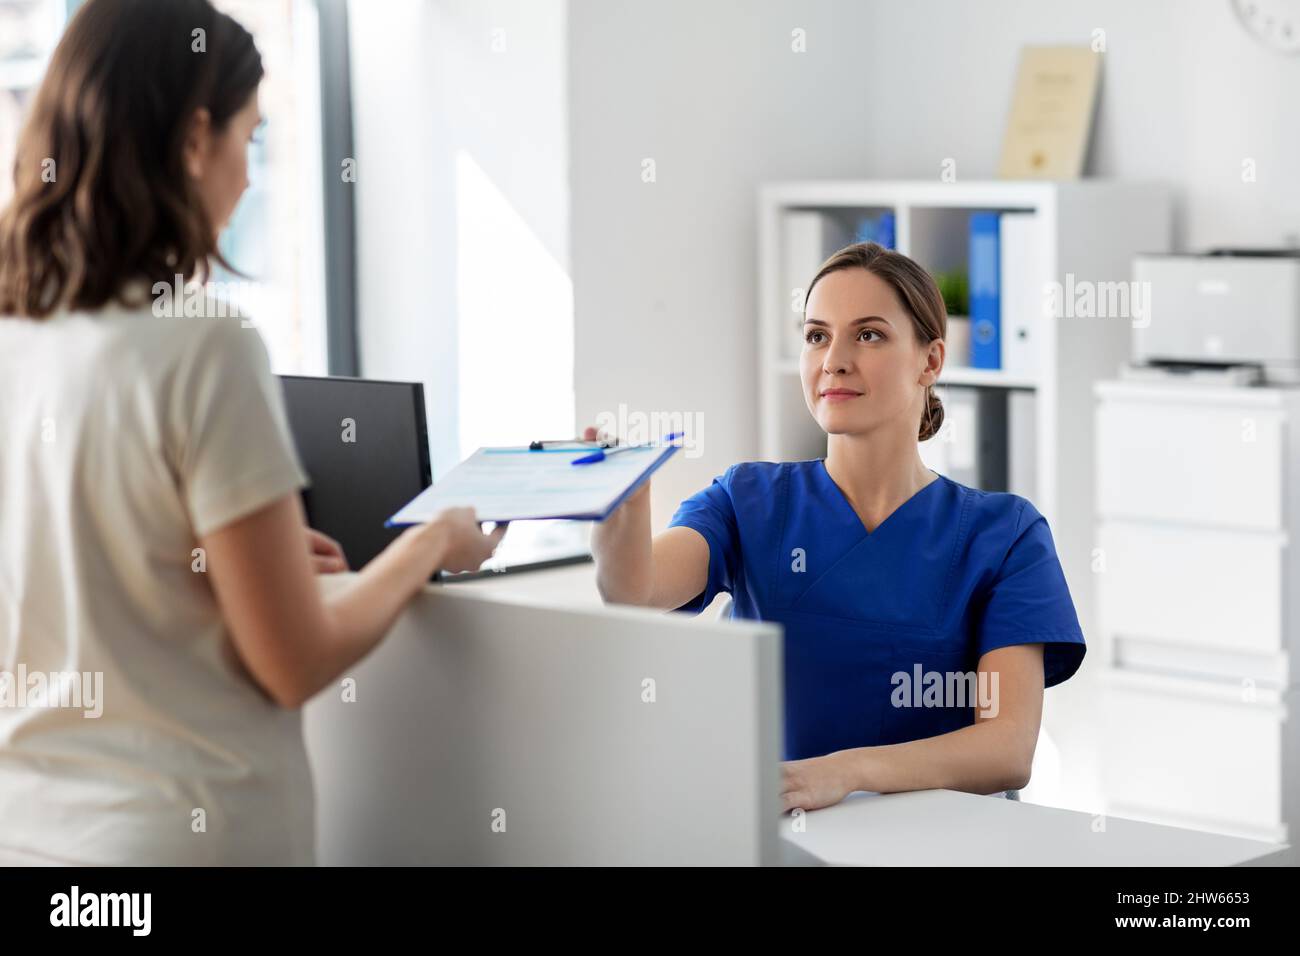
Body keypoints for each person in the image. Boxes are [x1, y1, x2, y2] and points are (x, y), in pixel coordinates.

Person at [0, 0, 503, 865]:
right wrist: (429, 542)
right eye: (249, 139)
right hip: (178, 839)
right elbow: (294, 663)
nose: (245, 176)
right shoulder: (204, 346)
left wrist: (230, 566)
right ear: (195, 140)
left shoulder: (17, 338)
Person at [589, 241, 1086, 813]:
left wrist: (847, 772)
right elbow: (634, 591)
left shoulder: (1005, 534)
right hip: (781, 837)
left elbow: (1007, 748)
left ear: (930, 361)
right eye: (816, 335)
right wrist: (617, 515)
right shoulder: (748, 499)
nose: (834, 360)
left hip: (941, 845)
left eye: (868, 334)